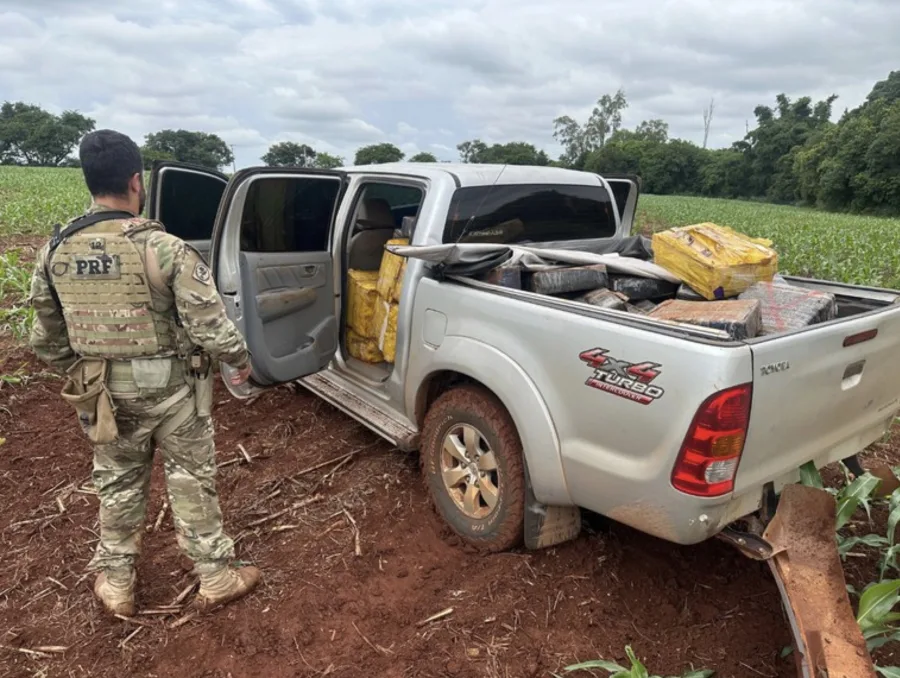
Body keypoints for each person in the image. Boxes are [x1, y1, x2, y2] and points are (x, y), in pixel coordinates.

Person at [27, 129, 260, 617]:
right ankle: (215, 576)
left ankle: (116, 583)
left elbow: (45, 342)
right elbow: (213, 331)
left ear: (89, 181)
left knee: (117, 481)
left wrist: (89, 371)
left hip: (103, 394)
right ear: (137, 182)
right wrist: (243, 362)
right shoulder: (165, 248)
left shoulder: (54, 251)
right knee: (191, 478)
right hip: (174, 391)